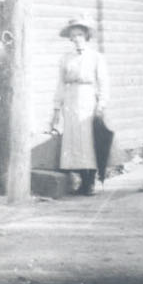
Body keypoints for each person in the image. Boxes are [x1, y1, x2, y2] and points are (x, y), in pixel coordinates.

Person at [50, 12, 110, 195]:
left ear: (87, 36)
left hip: (87, 99)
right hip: (70, 99)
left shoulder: (96, 57)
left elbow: (103, 82)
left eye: (80, 35)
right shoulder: (65, 58)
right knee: (73, 141)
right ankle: (79, 181)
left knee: (87, 141)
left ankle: (90, 182)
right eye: (73, 35)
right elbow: (60, 83)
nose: (76, 39)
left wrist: (101, 105)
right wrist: (56, 108)